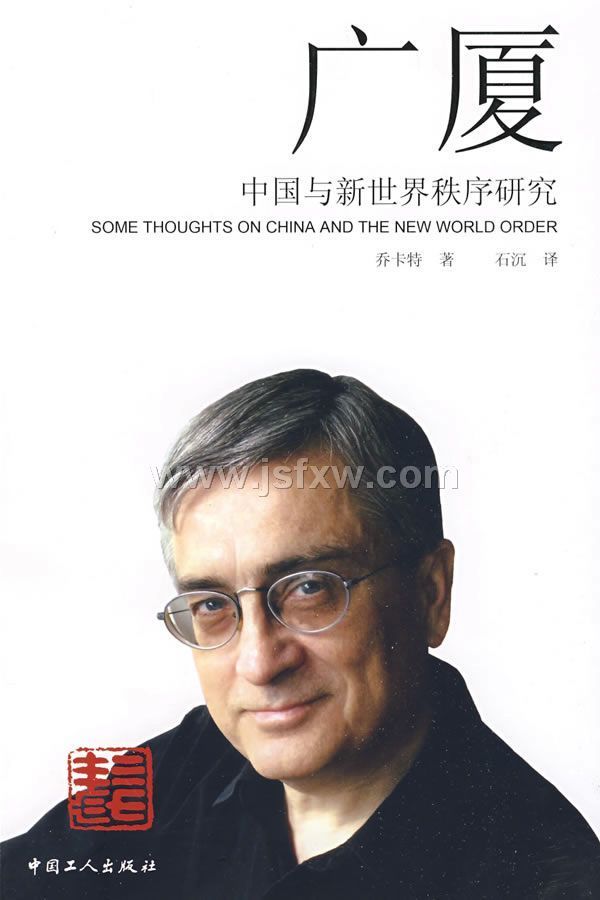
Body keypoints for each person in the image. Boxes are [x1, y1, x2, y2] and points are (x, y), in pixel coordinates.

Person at [2, 369, 599, 899]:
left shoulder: (548, 879)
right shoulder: (194, 761)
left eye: (309, 588)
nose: (259, 663)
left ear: (430, 593)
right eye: (211, 604)